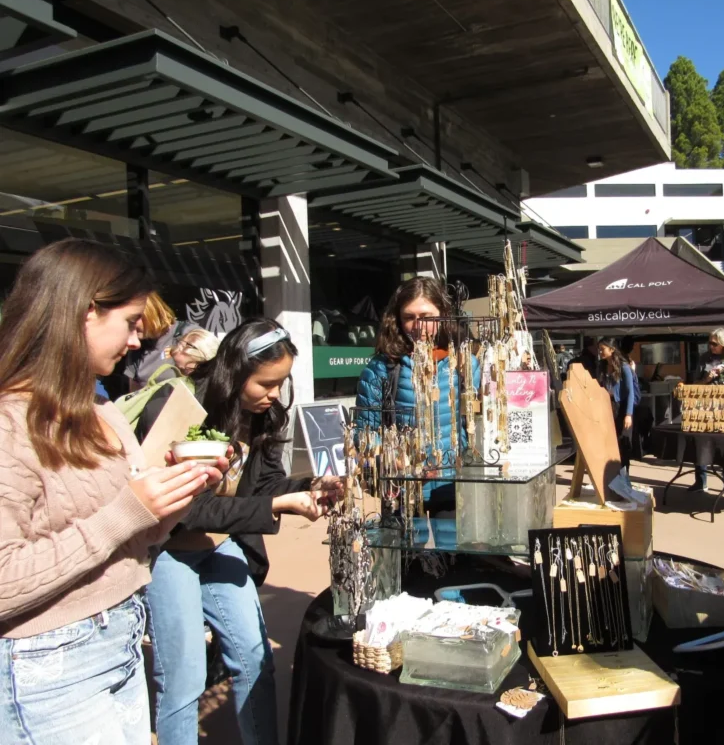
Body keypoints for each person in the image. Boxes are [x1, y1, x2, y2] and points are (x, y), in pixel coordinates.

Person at [0, 239, 225, 744]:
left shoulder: (102, 413)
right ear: (84, 312)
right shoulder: (9, 423)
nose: (138, 341)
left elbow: (135, 537)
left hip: (120, 639)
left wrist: (177, 494)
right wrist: (126, 512)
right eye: (130, 322)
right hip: (47, 667)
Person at [136, 318, 340, 745]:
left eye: (281, 383)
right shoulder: (179, 406)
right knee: (183, 678)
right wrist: (279, 505)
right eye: (265, 383)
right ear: (235, 371)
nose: (274, 394)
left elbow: (263, 486)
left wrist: (308, 487)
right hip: (168, 550)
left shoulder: (262, 415)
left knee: (254, 658)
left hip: (221, 545)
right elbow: (190, 509)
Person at [355, 277, 479, 514]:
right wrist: (393, 459)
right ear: (398, 320)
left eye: (426, 316)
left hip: (455, 488)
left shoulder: (465, 364)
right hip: (403, 491)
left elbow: (476, 425)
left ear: (442, 315)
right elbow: (364, 433)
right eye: (409, 317)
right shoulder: (381, 369)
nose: (418, 325)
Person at [691, 328, 724, 495]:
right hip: (705, 405)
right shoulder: (704, 358)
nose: (711, 347)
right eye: (710, 343)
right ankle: (700, 481)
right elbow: (695, 384)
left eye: (714, 344)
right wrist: (707, 378)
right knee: (702, 443)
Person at [124, 292, 197, 392]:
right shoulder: (137, 348)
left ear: (150, 311)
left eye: (133, 320)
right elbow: (133, 393)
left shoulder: (188, 334)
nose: (129, 327)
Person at [596, 338, 635, 472]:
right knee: (609, 441)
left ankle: (624, 474)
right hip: (607, 406)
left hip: (621, 407)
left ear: (612, 350)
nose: (600, 352)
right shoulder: (601, 366)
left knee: (623, 442)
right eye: (599, 349)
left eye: (603, 349)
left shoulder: (624, 367)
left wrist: (628, 414)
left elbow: (630, 392)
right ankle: (611, 473)